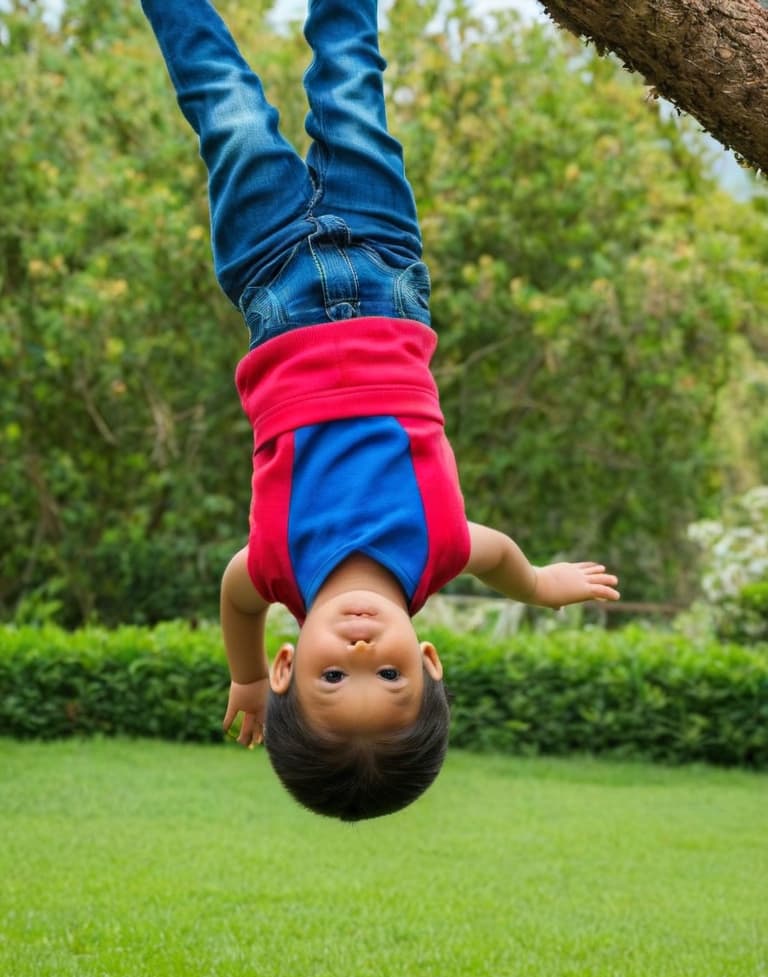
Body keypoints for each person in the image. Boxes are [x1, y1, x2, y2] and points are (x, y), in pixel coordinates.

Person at [141, 0, 620, 822]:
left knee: (227, 107)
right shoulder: (436, 551)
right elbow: (496, 550)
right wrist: (539, 586)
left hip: (271, 273)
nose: (360, 651)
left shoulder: (275, 566)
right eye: (389, 676)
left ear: (292, 665)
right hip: (386, 265)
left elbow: (236, 599)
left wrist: (244, 678)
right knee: (352, 78)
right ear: (429, 661)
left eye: (333, 678)